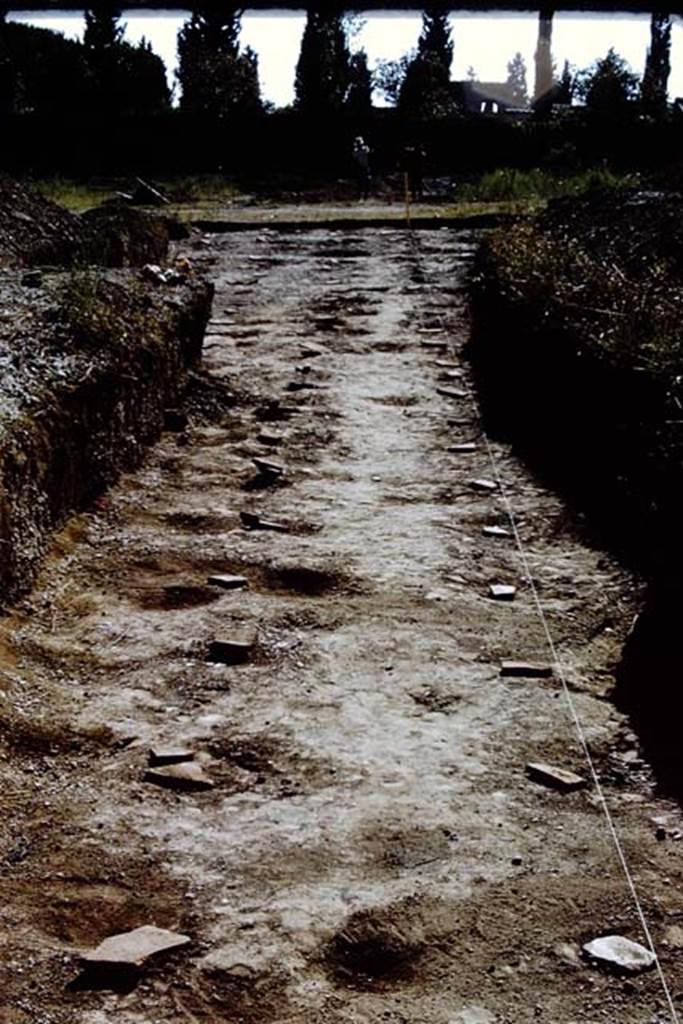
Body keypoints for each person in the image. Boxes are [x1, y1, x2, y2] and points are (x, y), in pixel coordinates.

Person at [352, 136, 371, 201]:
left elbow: (368, 153)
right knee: (360, 182)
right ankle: (360, 196)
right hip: (360, 168)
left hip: (365, 167)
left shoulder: (365, 148)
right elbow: (354, 157)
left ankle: (366, 195)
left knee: (367, 181)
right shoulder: (356, 150)